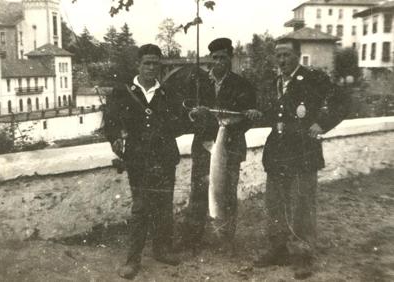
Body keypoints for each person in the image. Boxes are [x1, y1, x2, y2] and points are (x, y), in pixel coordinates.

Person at [246, 39, 349, 279]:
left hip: (303, 152)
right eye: (278, 56)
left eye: (286, 55)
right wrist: (260, 114)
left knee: (302, 206)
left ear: (298, 55)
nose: (281, 60)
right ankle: (278, 248)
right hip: (278, 153)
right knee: (275, 203)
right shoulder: (275, 82)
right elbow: (275, 113)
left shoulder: (313, 79)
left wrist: (322, 123)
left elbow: (344, 101)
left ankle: (303, 255)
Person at [103, 44, 183, 280]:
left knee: (164, 205)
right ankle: (132, 259)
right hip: (138, 160)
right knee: (140, 208)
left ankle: (162, 249)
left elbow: (177, 124)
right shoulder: (123, 91)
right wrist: (116, 139)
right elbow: (110, 121)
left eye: (155, 63)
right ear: (138, 64)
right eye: (147, 63)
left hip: (165, 157)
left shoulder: (168, 93)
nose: (151, 67)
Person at [180, 38, 259, 253]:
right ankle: (192, 237)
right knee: (198, 190)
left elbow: (249, 117)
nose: (218, 62)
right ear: (210, 59)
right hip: (203, 145)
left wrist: (237, 124)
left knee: (227, 192)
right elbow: (186, 110)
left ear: (230, 58)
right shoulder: (198, 83)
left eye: (223, 58)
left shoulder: (242, 85)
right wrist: (195, 115)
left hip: (230, 148)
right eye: (214, 58)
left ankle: (225, 238)